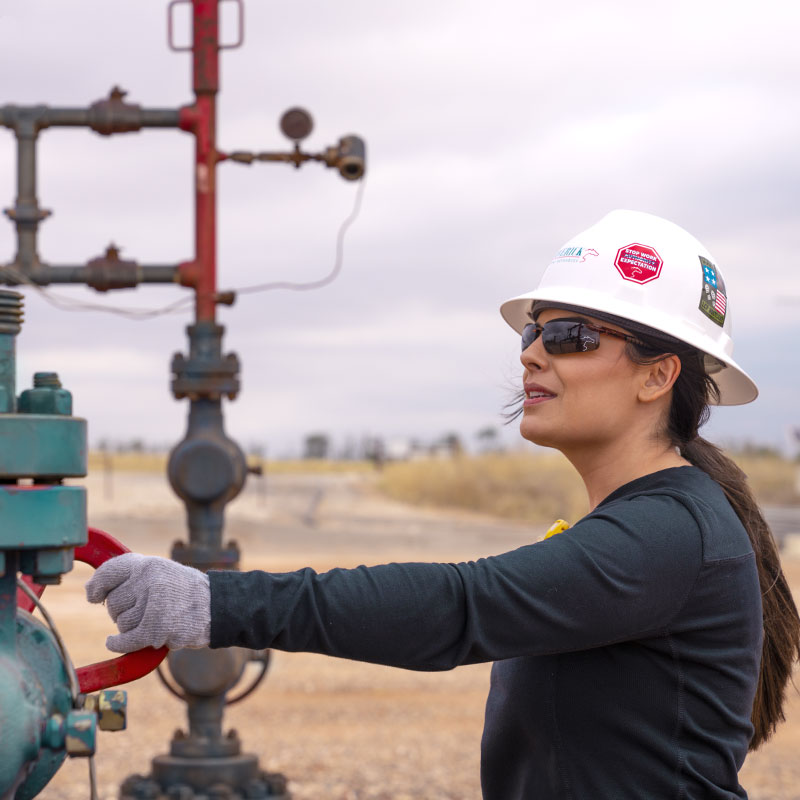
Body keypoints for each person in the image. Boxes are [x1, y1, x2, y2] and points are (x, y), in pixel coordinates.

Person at [87, 210, 800, 799]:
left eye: (569, 336)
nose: (530, 353)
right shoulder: (651, 526)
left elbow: (458, 607)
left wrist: (216, 606)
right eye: (533, 330)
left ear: (659, 375)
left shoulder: (668, 534)